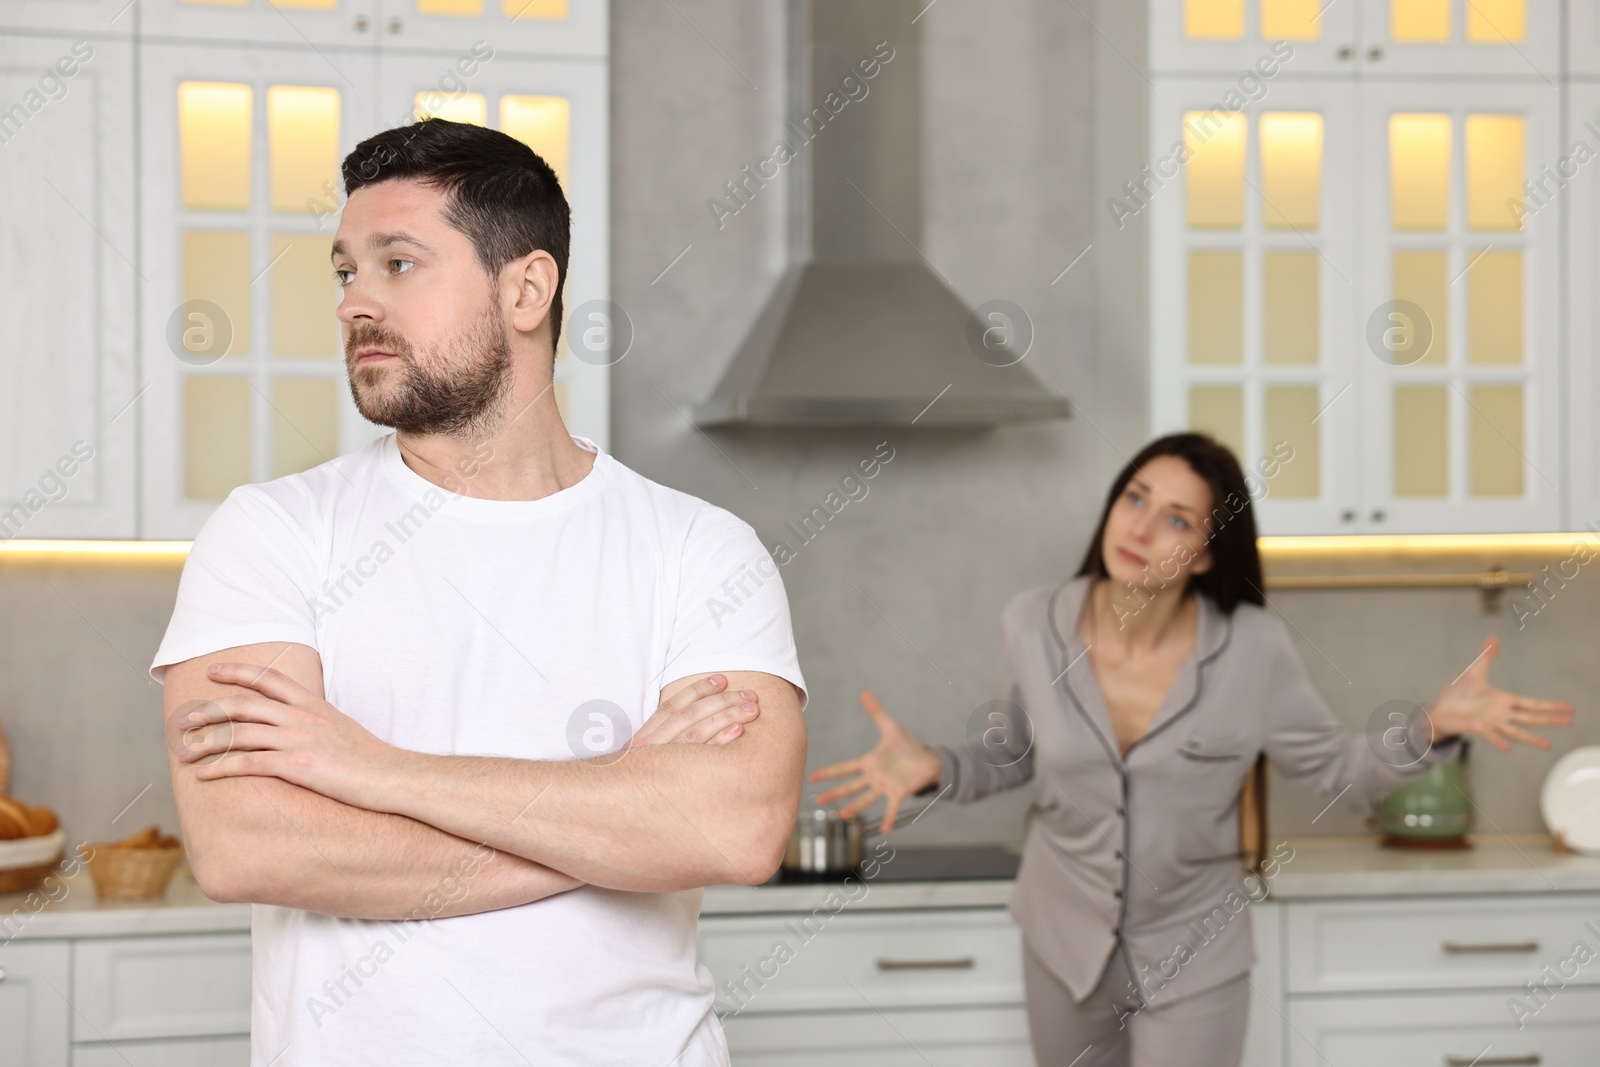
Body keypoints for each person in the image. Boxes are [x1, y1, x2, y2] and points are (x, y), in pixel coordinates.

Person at [151, 119, 808, 1067]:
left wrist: (373, 769)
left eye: (399, 263)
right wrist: (620, 813)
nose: (354, 304)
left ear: (527, 289)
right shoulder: (271, 533)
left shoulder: (700, 548)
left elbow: (736, 830)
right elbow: (247, 845)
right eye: (346, 272)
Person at [810, 433, 1573, 1067]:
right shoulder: (1031, 621)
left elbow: (1337, 771)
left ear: (1209, 553)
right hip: (1062, 934)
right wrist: (935, 767)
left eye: (1176, 519)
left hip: (1194, 944)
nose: (1138, 528)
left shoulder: (1255, 648)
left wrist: (1433, 724)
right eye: (1134, 497)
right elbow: (1013, 754)